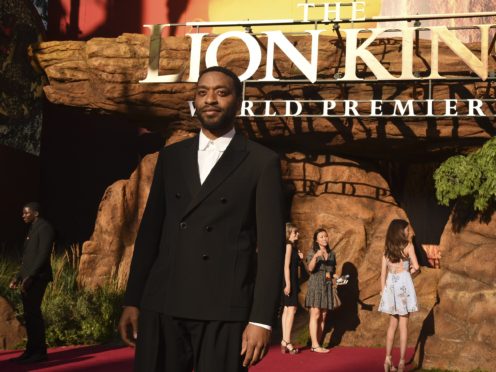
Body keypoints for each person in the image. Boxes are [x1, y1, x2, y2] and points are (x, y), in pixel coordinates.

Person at [118, 66, 285, 372]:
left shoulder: (261, 161)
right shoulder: (171, 156)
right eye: (202, 92)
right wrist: (134, 300)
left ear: (238, 101)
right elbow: (150, 233)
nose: (210, 99)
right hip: (163, 301)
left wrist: (260, 318)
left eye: (221, 93)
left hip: (225, 308)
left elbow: (273, 248)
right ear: (194, 101)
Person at [9, 202, 54, 364]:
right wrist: (18, 277)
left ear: (36, 213)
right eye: (23, 213)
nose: (23, 215)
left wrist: (31, 276)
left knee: (34, 314)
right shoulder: (32, 229)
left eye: (26, 213)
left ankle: (40, 352)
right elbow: (27, 259)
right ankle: (31, 350)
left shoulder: (45, 228)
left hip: (38, 278)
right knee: (29, 315)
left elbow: (43, 255)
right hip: (28, 278)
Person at [378, 219, 419, 372]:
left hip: (390, 288)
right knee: (404, 327)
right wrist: (408, 274)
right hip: (403, 288)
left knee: (391, 326)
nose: (408, 232)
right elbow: (416, 267)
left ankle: (387, 359)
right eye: (407, 230)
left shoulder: (387, 249)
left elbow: (383, 274)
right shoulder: (408, 246)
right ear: (400, 231)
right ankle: (401, 362)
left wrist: (383, 292)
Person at [305, 228, 338, 353]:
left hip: (327, 285)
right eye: (321, 237)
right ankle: (314, 345)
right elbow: (310, 268)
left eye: (326, 236)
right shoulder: (312, 251)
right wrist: (315, 256)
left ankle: (317, 343)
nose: (324, 238)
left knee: (323, 316)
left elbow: (331, 271)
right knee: (316, 314)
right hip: (315, 284)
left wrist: (335, 276)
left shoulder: (332, 253)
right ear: (316, 240)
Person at [280, 223, 303, 355]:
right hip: (289, 281)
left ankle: (285, 340)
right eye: (295, 232)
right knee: (292, 309)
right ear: (289, 233)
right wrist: (288, 284)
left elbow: (294, 266)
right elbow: (286, 266)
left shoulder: (293, 247)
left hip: (291, 280)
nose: (297, 234)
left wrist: (299, 259)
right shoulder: (288, 245)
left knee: (287, 309)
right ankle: (287, 341)